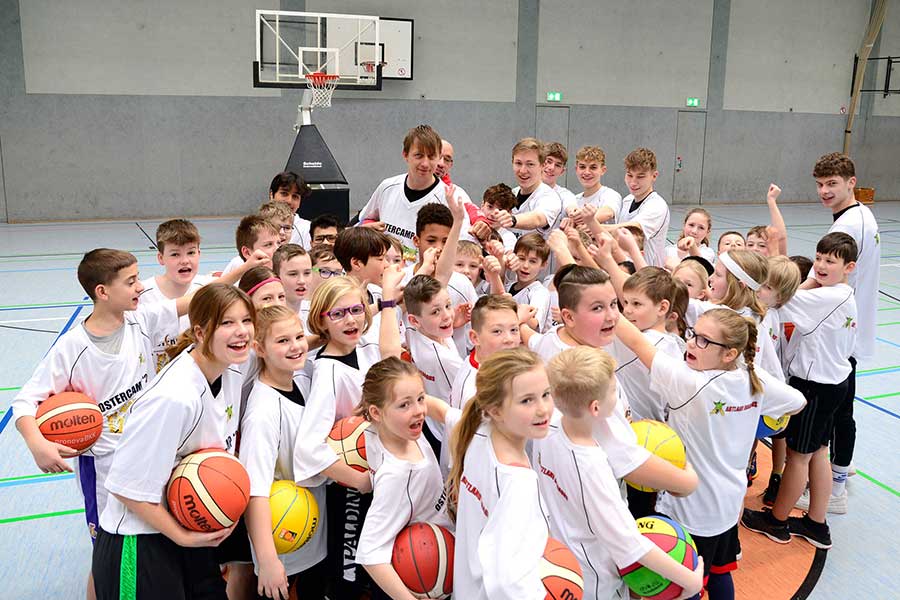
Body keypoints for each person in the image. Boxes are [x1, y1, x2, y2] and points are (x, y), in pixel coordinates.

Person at [615, 308, 805, 600]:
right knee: (719, 572)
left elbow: (638, 344)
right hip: (728, 506)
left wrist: (605, 307)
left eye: (704, 341)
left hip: (690, 510)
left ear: (729, 354)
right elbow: (797, 402)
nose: (691, 343)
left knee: (685, 586)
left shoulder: (692, 383)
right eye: (693, 335)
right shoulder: (752, 378)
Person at [91, 283, 257, 599]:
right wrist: (181, 537)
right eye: (227, 322)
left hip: (188, 532)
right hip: (140, 542)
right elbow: (126, 489)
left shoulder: (232, 369)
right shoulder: (173, 397)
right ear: (199, 332)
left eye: (246, 321)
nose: (241, 332)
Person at [536, 347, 703, 600]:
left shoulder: (547, 426)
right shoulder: (592, 467)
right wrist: (689, 580)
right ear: (595, 408)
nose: (617, 395)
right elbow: (631, 545)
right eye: (614, 390)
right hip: (594, 578)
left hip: (558, 558)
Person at [292, 268, 404, 596]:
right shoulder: (327, 371)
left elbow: (393, 357)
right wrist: (359, 481)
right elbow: (309, 448)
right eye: (338, 314)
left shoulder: (367, 347)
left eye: (356, 310)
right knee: (349, 577)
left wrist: (386, 300)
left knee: (383, 564)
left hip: (384, 478)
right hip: (352, 491)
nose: (350, 320)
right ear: (322, 321)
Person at [742, 233, 858, 550]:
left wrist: (760, 286)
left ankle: (777, 521)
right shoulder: (842, 293)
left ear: (849, 267)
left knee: (798, 457)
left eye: (829, 262)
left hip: (815, 386)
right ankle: (816, 523)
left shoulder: (826, 297)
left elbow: (779, 296)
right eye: (818, 257)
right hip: (835, 383)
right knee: (819, 450)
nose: (820, 265)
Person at [802, 152, 880, 511]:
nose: (824, 191)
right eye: (820, 184)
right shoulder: (863, 214)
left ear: (851, 182)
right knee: (843, 407)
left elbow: (818, 279)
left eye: (832, 184)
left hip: (840, 331)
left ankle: (835, 489)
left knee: (838, 410)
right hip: (852, 325)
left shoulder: (846, 226)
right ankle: (842, 469)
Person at [448, 348, 553, 599]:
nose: (543, 409)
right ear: (495, 410)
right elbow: (509, 583)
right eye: (527, 400)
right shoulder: (517, 482)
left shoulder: (478, 433)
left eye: (546, 394)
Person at [240, 305, 327, 600]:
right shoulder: (263, 412)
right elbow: (255, 491)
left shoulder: (300, 378)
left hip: (312, 536)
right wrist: (267, 561)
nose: (295, 347)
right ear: (259, 349)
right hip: (283, 548)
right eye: (282, 341)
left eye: (299, 336)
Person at [354, 358, 454, 600]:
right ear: (377, 412)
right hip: (420, 572)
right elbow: (369, 553)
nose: (419, 410)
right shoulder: (397, 476)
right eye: (405, 405)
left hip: (439, 548)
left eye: (420, 399)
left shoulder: (390, 431)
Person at [357, 125, 472, 256]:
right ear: (405, 155)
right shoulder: (387, 187)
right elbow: (362, 221)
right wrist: (364, 229)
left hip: (427, 275)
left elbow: (464, 249)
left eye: (431, 156)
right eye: (419, 155)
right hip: (386, 273)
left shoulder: (450, 198)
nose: (425, 163)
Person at [139, 219, 212, 372]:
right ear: (160, 258)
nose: (185, 261)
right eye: (175, 254)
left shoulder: (208, 288)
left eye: (191, 252)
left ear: (199, 253)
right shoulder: (142, 295)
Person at [402, 274, 463, 455]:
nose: (447, 316)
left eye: (448, 306)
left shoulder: (413, 331)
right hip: (446, 430)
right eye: (436, 312)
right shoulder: (443, 359)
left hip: (432, 422)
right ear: (415, 320)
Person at [609, 148, 670, 267]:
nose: (633, 182)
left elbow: (633, 228)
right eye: (629, 175)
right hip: (627, 269)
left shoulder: (657, 205)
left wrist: (593, 225)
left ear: (654, 176)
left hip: (649, 276)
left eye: (640, 177)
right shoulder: (627, 200)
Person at [567, 145, 621, 225]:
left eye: (593, 167)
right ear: (576, 169)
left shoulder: (610, 195)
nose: (587, 172)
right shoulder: (575, 199)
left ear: (603, 170)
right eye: (582, 167)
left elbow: (608, 213)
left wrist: (580, 220)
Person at [509, 233, 552, 332]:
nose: (525, 266)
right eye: (521, 258)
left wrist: (512, 310)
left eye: (533, 261)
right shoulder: (508, 285)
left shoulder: (540, 293)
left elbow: (534, 323)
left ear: (543, 265)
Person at [272, 244, 313, 328]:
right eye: (293, 274)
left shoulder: (316, 314)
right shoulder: (267, 318)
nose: (301, 281)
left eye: (307, 273)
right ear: (276, 276)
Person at [269, 171, 313, 249]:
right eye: (284, 194)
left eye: (295, 196)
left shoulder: (308, 229)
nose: (289, 201)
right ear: (271, 195)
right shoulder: (255, 225)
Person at [541, 141, 578, 208]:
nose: (552, 168)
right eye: (549, 161)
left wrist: (573, 213)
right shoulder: (520, 191)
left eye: (557, 165)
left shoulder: (566, 196)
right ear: (539, 162)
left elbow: (572, 208)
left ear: (562, 171)